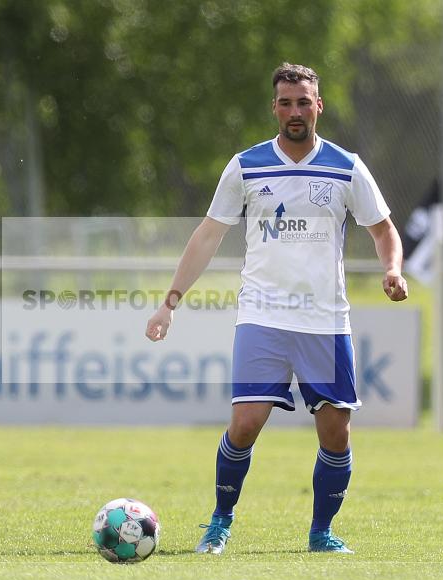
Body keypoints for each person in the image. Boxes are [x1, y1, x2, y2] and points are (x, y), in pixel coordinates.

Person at [145, 62, 408, 554]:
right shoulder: (246, 166)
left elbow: (383, 229)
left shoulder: (346, 166)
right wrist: (170, 302)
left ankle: (321, 533)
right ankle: (220, 523)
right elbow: (208, 235)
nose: (294, 112)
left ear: (318, 106)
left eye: (303, 102)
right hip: (262, 316)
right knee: (245, 423)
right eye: (286, 103)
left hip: (325, 321)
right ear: (274, 108)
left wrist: (392, 269)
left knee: (336, 434)